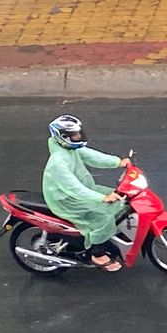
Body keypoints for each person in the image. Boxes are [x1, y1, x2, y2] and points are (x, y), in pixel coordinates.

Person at [42, 115, 130, 272]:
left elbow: (91, 156)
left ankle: (107, 235)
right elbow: (74, 188)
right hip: (67, 200)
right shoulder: (58, 162)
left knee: (120, 198)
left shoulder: (69, 148)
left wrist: (117, 162)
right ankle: (97, 252)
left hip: (84, 190)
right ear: (63, 137)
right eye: (74, 135)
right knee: (101, 218)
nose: (78, 137)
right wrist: (101, 198)